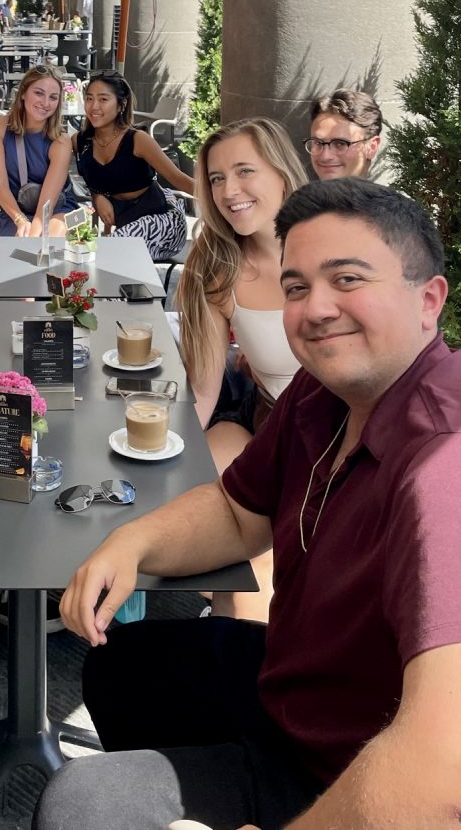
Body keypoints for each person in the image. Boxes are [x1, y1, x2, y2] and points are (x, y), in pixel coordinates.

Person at [36, 179, 461, 830]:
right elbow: (237, 511)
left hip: (368, 778)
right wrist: (132, 542)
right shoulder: (326, 392)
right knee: (121, 667)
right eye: (298, 287)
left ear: (429, 300)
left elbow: (459, 771)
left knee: (79, 804)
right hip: (314, 692)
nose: (316, 308)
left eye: (348, 278)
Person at [176, 117, 307, 620]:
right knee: (190, 497)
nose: (230, 191)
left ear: (281, 173)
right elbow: (203, 391)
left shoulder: (334, 249)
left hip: (343, 443)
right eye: (215, 178)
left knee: (250, 577)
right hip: (271, 427)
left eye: (244, 171)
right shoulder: (216, 264)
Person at [72, 70, 193, 260]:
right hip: (118, 218)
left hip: (158, 218)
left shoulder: (137, 140)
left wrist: (221, 201)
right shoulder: (80, 142)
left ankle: (132, 289)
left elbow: (179, 179)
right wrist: (97, 195)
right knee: (72, 236)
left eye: (103, 99)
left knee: (114, 249)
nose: (94, 106)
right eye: (89, 98)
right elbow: (93, 176)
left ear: (121, 104)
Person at [0, 66, 78, 237]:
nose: (45, 103)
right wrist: (20, 220)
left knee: (50, 238)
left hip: (61, 209)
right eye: (39, 93)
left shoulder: (61, 141)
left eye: (53, 97)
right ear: (23, 93)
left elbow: (47, 205)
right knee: (21, 245)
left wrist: (34, 233)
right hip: (16, 211)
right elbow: (0, 185)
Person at [306, 87, 383, 180]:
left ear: (372, 147)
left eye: (340, 144)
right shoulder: (299, 194)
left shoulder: (387, 195)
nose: (325, 156)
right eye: (318, 143)